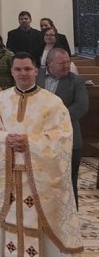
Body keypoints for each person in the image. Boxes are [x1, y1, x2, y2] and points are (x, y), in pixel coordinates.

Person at [0, 53, 83, 256]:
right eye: (18, 69)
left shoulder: (53, 103)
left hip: (39, 179)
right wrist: (5, 139)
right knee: (10, 222)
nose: (23, 73)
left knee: (39, 222)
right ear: (11, 72)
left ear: (36, 71)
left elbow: (62, 138)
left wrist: (29, 142)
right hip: (9, 177)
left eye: (27, 69)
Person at [36, 48, 88, 208]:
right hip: (38, 139)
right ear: (49, 63)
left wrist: (53, 119)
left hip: (68, 139)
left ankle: (71, 220)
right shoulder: (36, 77)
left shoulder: (76, 81)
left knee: (68, 182)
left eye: (68, 62)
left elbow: (81, 107)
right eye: (62, 63)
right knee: (40, 180)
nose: (66, 66)